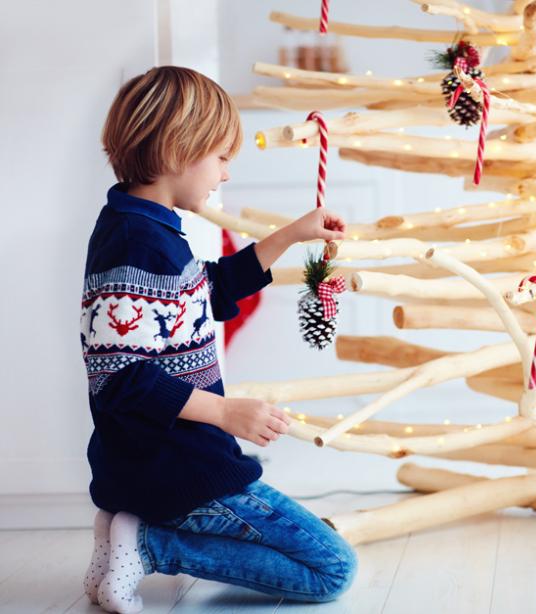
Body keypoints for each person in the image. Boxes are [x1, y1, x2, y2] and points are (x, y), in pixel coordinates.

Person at [79, 66, 355, 613]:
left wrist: (293, 233)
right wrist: (226, 413)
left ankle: (123, 537)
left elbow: (210, 290)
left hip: (162, 462)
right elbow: (123, 380)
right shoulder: (137, 241)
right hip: (183, 469)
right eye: (222, 158)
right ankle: (146, 544)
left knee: (312, 558)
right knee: (331, 569)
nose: (225, 175)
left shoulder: (142, 229)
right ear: (179, 149)